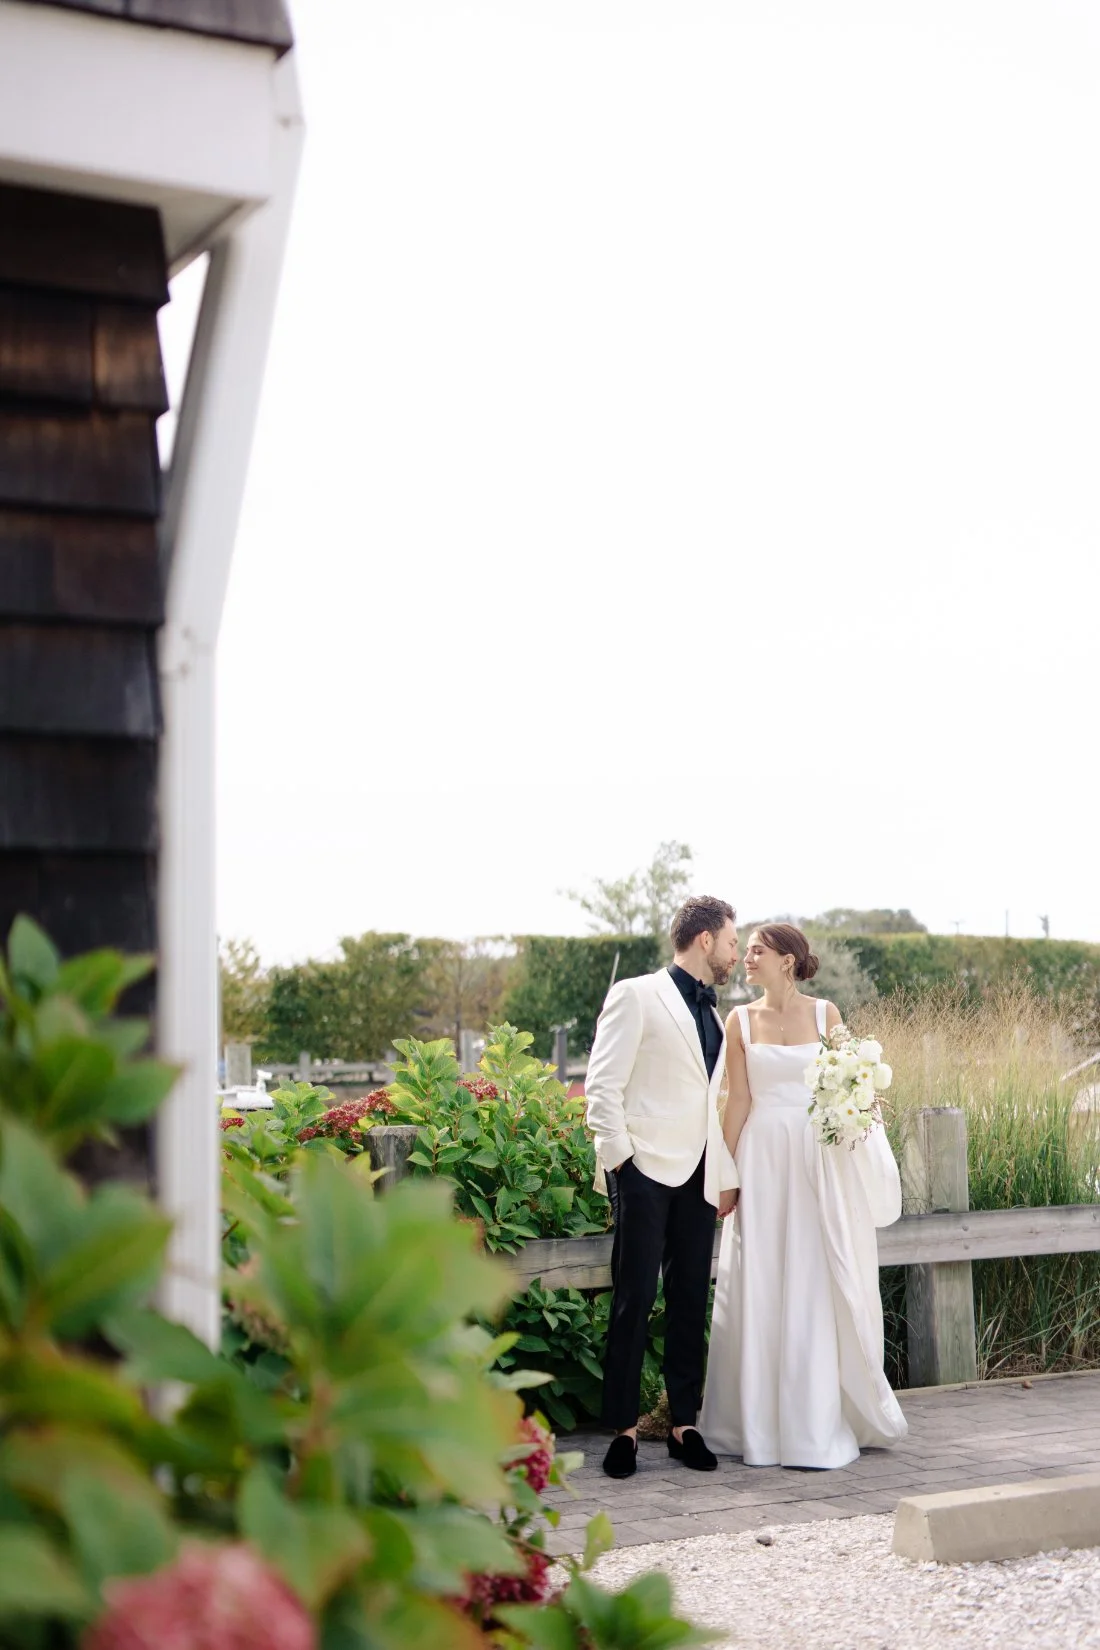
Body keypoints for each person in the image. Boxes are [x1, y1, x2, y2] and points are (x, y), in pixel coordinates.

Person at [699, 923, 908, 1468]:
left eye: (757, 951)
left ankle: (813, 1425)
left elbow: (854, 1088)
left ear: (787, 961)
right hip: (763, 1157)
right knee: (761, 1276)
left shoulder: (826, 1015)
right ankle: (756, 1426)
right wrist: (725, 1171)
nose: (745, 958)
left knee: (816, 1273)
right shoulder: (739, 1020)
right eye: (742, 950)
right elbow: (738, 1100)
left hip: (818, 1159)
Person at [585, 895, 741, 1479]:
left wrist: (722, 1172)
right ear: (705, 939)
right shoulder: (636, 994)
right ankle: (623, 1430)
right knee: (632, 1300)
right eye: (730, 940)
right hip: (644, 1169)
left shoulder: (719, 1017)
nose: (733, 951)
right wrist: (622, 1162)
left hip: (700, 1173)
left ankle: (683, 1423)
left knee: (688, 1302)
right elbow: (601, 1086)